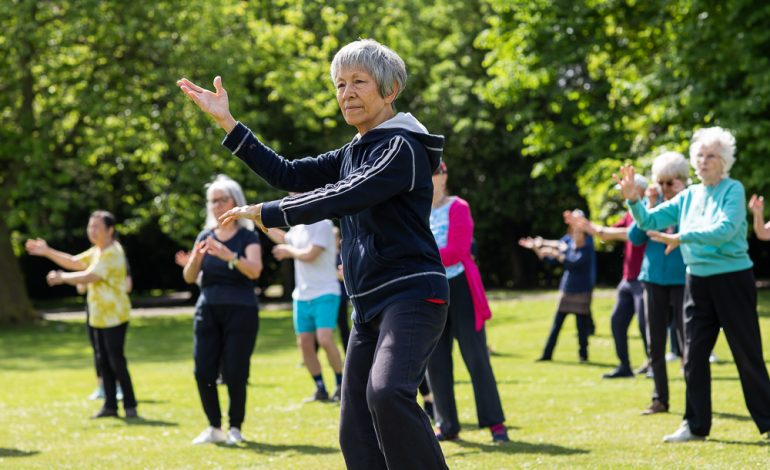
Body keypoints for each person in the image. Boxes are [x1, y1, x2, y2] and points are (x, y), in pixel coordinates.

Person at [178, 39, 450, 469]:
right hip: (368, 307)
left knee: (387, 391)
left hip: (412, 296)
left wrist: (271, 212)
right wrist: (229, 123)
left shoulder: (401, 148)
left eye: (359, 82)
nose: (347, 93)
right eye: (340, 84)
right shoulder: (352, 151)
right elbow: (289, 173)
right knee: (354, 431)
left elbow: (347, 194)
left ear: (390, 88)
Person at [616, 127, 770, 442]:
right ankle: (696, 425)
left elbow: (725, 230)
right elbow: (648, 222)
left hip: (732, 279)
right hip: (697, 281)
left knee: (747, 353)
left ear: (724, 160)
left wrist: (682, 237)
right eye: (699, 155)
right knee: (694, 355)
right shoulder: (688, 195)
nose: (703, 161)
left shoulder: (733, 190)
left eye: (711, 155)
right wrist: (634, 202)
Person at [26, 211, 138, 419]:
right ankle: (110, 406)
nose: (92, 231)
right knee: (103, 361)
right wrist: (48, 251)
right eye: (90, 226)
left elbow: (90, 276)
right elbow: (75, 262)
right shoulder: (97, 250)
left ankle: (130, 405)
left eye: (96, 227)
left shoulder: (113, 252)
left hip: (114, 316)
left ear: (110, 230)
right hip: (98, 316)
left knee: (116, 360)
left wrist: (62, 278)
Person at [425, 160, 508, 443]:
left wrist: (421, 258)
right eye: (429, 172)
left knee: (476, 358)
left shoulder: (458, 206)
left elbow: (458, 251)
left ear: (445, 176)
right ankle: (447, 424)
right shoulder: (415, 209)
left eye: (438, 171)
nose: (433, 176)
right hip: (431, 291)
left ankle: (496, 424)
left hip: (460, 288)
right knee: (436, 361)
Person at [182, 175, 262, 445]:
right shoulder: (205, 236)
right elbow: (190, 277)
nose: (215, 205)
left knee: (236, 370)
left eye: (221, 200)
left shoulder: (247, 236)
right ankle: (214, 427)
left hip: (241, 310)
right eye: (212, 201)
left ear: (234, 201)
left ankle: (235, 427)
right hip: (208, 309)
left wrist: (229, 256)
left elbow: (255, 270)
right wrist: (195, 260)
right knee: (203, 370)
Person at [626, 152, 688, 414]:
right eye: (660, 183)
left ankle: (693, 399)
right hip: (653, 280)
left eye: (670, 183)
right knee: (656, 341)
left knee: (688, 342)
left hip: (683, 279)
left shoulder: (689, 203)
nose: (665, 188)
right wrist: (648, 205)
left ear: (682, 181)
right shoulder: (653, 206)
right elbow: (635, 237)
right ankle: (659, 398)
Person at [572, 175, 650, 379]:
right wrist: (588, 228)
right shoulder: (629, 214)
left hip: (644, 279)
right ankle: (624, 366)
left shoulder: (648, 213)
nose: (621, 194)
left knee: (645, 325)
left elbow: (629, 234)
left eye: (625, 189)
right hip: (628, 279)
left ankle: (653, 365)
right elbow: (606, 235)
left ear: (639, 190)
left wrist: (594, 228)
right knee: (617, 321)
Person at [264, 218, 344, 403]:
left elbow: (311, 254)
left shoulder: (323, 224)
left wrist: (288, 251)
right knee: (305, 343)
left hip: (326, 292)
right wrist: (261, 222)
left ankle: (340, 385)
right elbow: (285, 239)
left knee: (324, 340)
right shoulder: (298, 225)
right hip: (301, 296)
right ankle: (320, 388)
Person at [520, 209, 596, 363]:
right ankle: (547, 354)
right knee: (556, 325)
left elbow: (573, 262)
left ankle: (583, 356)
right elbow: (554, 248)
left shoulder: (587, 246)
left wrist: (558, 255)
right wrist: (537, 245)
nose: (574, 235)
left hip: (582, 291)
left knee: (581, 327)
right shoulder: (569, 242)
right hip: (567, 290)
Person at [82, 260, 132, 401]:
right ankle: (103, 390)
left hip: (114, 314)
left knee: (114, 356)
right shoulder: (92, 260)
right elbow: (80, 288)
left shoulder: (116, 258)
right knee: (99, 355)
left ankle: (122, 391)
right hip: (95, 313)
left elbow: (127, 286)